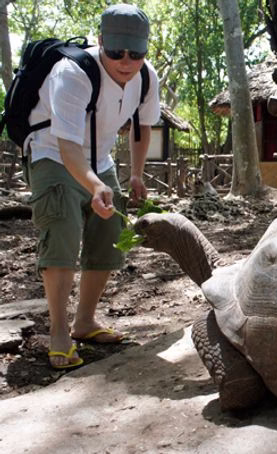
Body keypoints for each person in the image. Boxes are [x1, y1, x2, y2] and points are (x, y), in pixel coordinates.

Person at [25, 3, 160, 369]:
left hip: (100, 159)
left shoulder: (146, 77)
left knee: (109, 234)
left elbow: (142, 126)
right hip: (52, 153)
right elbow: (68, 146)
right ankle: (58, 332)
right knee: (63, 233)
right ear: (101, 41)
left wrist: (135, 173)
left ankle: (84, 321)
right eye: (116, 51)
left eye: (136, 53)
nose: (126, 61)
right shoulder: (72, 73)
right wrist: (94, 186)